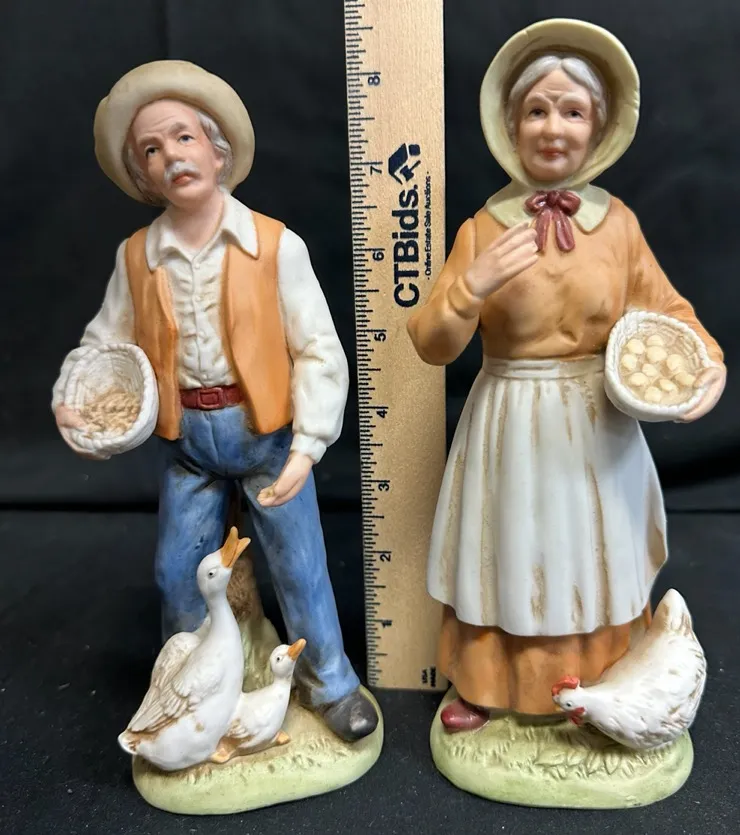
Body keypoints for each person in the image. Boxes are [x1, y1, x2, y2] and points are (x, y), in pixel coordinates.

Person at [407, 19, 725, 731]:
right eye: (538, 110)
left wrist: (707, 363)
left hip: (596, 420)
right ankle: (488, 679)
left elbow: (668, 310)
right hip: (511, 418)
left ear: (598, 128)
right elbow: (431, 342)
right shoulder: (483, 228)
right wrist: (470, 288)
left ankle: (600, 682)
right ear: (512, 125)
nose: (554, 128)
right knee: (508, 551)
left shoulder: (618, 226)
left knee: (590, 555)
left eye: (572, 112)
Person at [52, 60, 377, 742]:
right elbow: (103, 343)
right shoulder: (137, 258)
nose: (172, 157)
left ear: (216, 149)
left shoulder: (274, 245)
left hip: (266, 438)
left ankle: (331, 682)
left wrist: (308, 445)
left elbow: (319, 350)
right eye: (151, 150)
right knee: (177, 572)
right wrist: (74, 402)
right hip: (189, 446)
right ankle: (191, 693)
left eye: (183, 137)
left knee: (300, 566)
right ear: (143, 176)